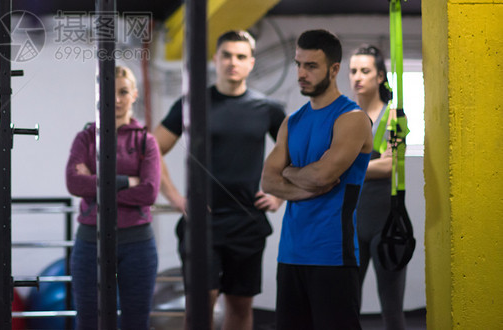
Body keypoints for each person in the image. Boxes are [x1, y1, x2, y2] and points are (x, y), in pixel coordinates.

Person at [155, 30, 286, 330]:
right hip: (203, 224)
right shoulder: (192, 104)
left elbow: (295, 154)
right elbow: (153, 149)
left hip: (247, 223)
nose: (232, 62)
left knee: (240, 308)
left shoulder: (268, 109)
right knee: (200, 308)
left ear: (251, 63)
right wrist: (176, 198)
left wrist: (280, 195)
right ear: (215, 59)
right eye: (226, 55)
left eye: (241, 56)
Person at [261, 29, 373, 330]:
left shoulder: (352, 119)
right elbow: (268, 181)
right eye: (299, 64)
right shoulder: (292, 121)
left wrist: (289, 171)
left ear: (334, 69)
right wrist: (301, 185)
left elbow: (324, 175)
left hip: (332, 255)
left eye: (311, 66)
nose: (301, 73)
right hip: (291, 254)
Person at [65, 65, 161, 330]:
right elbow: (74, 183)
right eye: (109, 92)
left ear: (134, 95)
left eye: (123, 92)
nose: (116, 99)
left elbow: (149, 192)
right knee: (88, 322)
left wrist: (95, 185)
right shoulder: (85, 138)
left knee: (135, 323)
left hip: (137, 244)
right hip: (90, 241)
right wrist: (127, 182)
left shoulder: (146, 141)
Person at [349, 45, 407, 330]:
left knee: (393, 310)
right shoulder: (344, 116)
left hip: (387, 222)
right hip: (351, 222)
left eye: (365, 71)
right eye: (353, 71)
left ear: (380, 76)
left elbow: (391, 166)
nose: (358, 77)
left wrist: (346, 170)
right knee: (346, 307)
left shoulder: (394, 116)